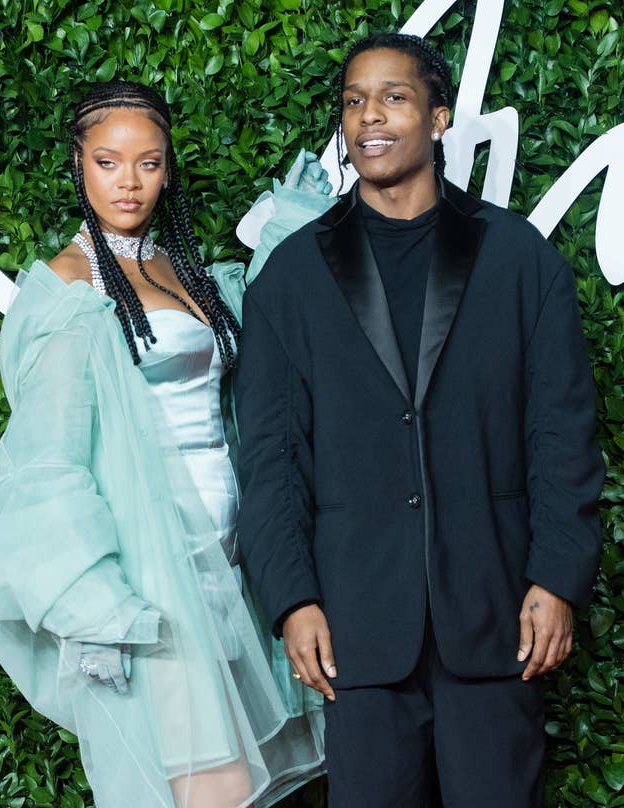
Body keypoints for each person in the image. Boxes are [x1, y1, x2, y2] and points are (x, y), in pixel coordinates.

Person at [235, 33, 604, 807]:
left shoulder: (520, 258)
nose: (369, 116)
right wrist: (292, 598)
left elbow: (562, 432)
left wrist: (557, 576)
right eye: (353, 102)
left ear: (438, 117)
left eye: (393, 97)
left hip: (499, 610)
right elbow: (269, 457)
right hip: (356, 625)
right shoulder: (291, 278)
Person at [0, 80, 333, 808]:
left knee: (245, 791)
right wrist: (92, 598)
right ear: (78, 164)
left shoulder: (174, 264)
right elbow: (45, 460)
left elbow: (248, 350)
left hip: (230, 559)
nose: (128, 183)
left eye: (148, 163)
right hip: (156, 572)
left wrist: (291, 233)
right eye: (107, 162)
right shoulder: (70, 291)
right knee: (215, 790)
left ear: (167, 167)